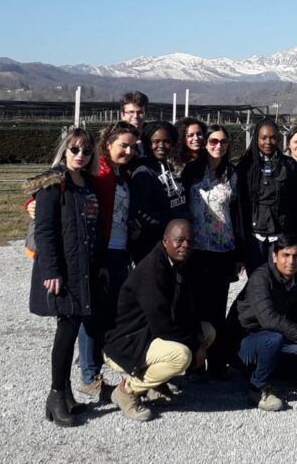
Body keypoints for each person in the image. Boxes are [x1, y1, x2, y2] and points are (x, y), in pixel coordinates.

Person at [104, 220, 216, 422]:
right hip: (130, 342)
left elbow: (188, 309)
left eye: (189, 242)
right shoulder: (153, 269)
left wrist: (199, 338)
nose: (185, 246)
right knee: (182, 355)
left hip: (152, 335)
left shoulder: (179, 264)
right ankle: (127, 390)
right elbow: (162, 324)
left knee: (208, 332)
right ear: (165, 241)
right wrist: (194, 346)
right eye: (179, 241)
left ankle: (155, 383)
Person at [27, 128, 100, 426]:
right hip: (64, 270)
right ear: (64, 150)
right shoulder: (53, 183)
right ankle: (56, 396)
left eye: (86, 151)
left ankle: (66, 394)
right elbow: (44, 231)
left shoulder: (88, 184)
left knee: (72, 328)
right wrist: (51, 271)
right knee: (66, 331)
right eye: (75, 150)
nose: (80, 155)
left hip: (84, 268)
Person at [227, 235, 297, 411]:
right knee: (274, 339)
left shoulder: (296, 281)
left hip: (268, 339)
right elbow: (269, 319)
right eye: (286, 255)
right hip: (242, 343)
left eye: (296, 256)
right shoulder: (261, 278)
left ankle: (266, 372)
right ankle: (257, 387)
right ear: (275, 257)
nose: (291, 261)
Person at [77, 121, 139, 398]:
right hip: (100, 253)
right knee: (92, 313)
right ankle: (90, 375)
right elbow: (65, 183)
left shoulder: (121, 174)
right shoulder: (97, 172)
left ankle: (98, 364)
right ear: (108, 144)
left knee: (110, 311)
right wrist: (33, 202)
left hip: (119, 251)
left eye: (132, 147)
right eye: (122, 145)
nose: (127, 150)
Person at [181, 124, 240, 378]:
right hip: (194, 250)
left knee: (217, 308)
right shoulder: (191, 171)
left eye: (223, 142)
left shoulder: (233, 174)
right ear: (205, 143)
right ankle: (195, 363)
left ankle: (216, 363)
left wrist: (239, 253)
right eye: (213, 141)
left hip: (222, 250)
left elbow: (238, 213)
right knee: (194, 307)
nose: (218, 146)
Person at [235, 119, 297, 273]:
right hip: (255, 238)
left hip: (281, 236)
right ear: (256, 138)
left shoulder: (289, 165)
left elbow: (295, 202)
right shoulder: (246, 166)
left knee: (280, 281)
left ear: (278, 139)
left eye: (273, 138)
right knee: (257, 281)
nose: (268, 142)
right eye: (263, 138)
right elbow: (241, 204)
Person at [128, 121, 189, 264]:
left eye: (166, 141)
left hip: (172, 244)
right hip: (151, 247)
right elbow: (143, 214)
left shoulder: (171, 168)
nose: (161, 146)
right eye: (155, 141)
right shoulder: (143, 172)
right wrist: (178, 217)